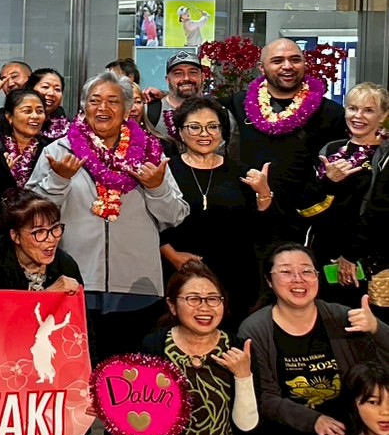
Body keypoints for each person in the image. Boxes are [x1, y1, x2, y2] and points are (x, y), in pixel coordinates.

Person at [28, 71, 188, 362]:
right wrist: (59, 180)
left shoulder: (150, 153)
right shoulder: (58, 151)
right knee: (75, 371)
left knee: (129, 375)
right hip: (74, 283)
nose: (103, 108)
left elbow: (175, 216)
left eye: (113, 101)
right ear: (83, 107)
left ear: (127, 110)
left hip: (138, 289)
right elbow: (33, 218)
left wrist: (156, 187)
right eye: (94, 101)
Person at [239, 243, 389, 435]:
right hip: (288, 430)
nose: (298, 280)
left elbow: (381, 372)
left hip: (346, 426)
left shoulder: (343, 317)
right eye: (286, 272)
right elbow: (265, 398)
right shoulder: (254, 328)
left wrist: (377, 328)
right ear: (269, 280)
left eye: (307, 271)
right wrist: (314, 420)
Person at [124, 261, 258, 435]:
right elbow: (137, 409)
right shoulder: (154, 346)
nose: (205, 308)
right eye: (193, 299)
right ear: (172, 306)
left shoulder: (237, 347)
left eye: (213, 299)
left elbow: (247, 426)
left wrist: (243, 376)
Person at [159, 96, 274, 329]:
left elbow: (262, 232)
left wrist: (264, 194)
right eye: (194, 127)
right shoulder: (165, 171)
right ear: (180, 132)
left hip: (235, 277)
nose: (205, 134)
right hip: (179, 274)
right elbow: (150, 222)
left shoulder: (243, 173)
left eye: (213, 127)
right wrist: (171, 254)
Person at [228, 38, 347, 241]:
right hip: (245, 218)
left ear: (304, 63)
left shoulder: (331, 113)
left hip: (302, 222)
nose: (288, 66)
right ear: (261, 67)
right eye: (277, 61)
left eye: (295, 59)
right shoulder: (238, 103)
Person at [298, 82, 389, 306]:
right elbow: (305, 207)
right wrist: (330, 182)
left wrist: (350, 255)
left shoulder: (385, 155)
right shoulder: (330, 150)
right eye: (353, 108)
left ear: (383, 116)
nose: (358, 116)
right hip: (323, 254)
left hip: (366, 260)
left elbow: (381, 212)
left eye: (369, 110)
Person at [0, 191, 82, 292]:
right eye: (39, 231)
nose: (51, 239)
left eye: (55, 228)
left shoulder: (66, 265)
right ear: (16, 236)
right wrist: (48, 295)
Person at [0, 87, 53, 232]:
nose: (35, 116)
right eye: (27, 111)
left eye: (39, 111)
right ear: (9, 117)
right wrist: (2, 172)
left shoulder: (50, 150)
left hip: (38, 224)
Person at [147, 49, 210, 143]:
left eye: (193, 72)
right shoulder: (150, 112)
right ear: (168, 80)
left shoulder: (216, 111)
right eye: (178, 74)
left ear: (203, 77)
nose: (186, 78)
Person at [0, 60, 33, 134]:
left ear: (31, 79)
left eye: (14, 76)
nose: (10, 84)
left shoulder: (45, 112)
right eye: (4, 79)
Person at [25, 68, 70, 141]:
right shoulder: (14, 119)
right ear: (30, 89)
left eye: (57, 89)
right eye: (45, 87)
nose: (51, 93)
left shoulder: (69, 126)